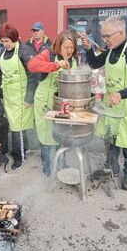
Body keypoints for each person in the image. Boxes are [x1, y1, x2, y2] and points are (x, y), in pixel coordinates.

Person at [81, 16, 127, 191]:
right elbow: (95, 63)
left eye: (107, 36)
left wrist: (121, 94)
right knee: (111, 139)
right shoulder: (111, 49)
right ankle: (111, 168)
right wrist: (88, 50)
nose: (105, 40)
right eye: (103, 36)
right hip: (112, 104)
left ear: (121, 32)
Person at [28, 30, 78, 176]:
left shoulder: (74, 60)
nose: (69, 51)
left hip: (62, 102)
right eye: (66, 47)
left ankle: (61, 162)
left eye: (72, 47)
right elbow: (32, 65)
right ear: (58, 45)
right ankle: (47, 164)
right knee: (45, 135)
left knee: (60, 134)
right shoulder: (48, 54)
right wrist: (56, 64)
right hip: (45, 102)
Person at [0, 23, 35, 170]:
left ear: (14, 38)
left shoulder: (24, 51)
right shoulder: (4, 53)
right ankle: (24, 149)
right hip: (9, 98)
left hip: (22, 98)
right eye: (2, 41)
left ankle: (20, 157)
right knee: (18, 127)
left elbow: (33, 76)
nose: (5, 44)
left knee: (17, 128)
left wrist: (29, 98)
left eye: (7, 41)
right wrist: (1, 93)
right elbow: (2, 74)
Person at [26, 21, 52, 99]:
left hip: (44, 79)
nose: (35, 32)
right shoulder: (27, 44)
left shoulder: (49, 44)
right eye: (33, 31)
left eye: (37, 30)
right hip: (31, 79)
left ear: (43, 31)